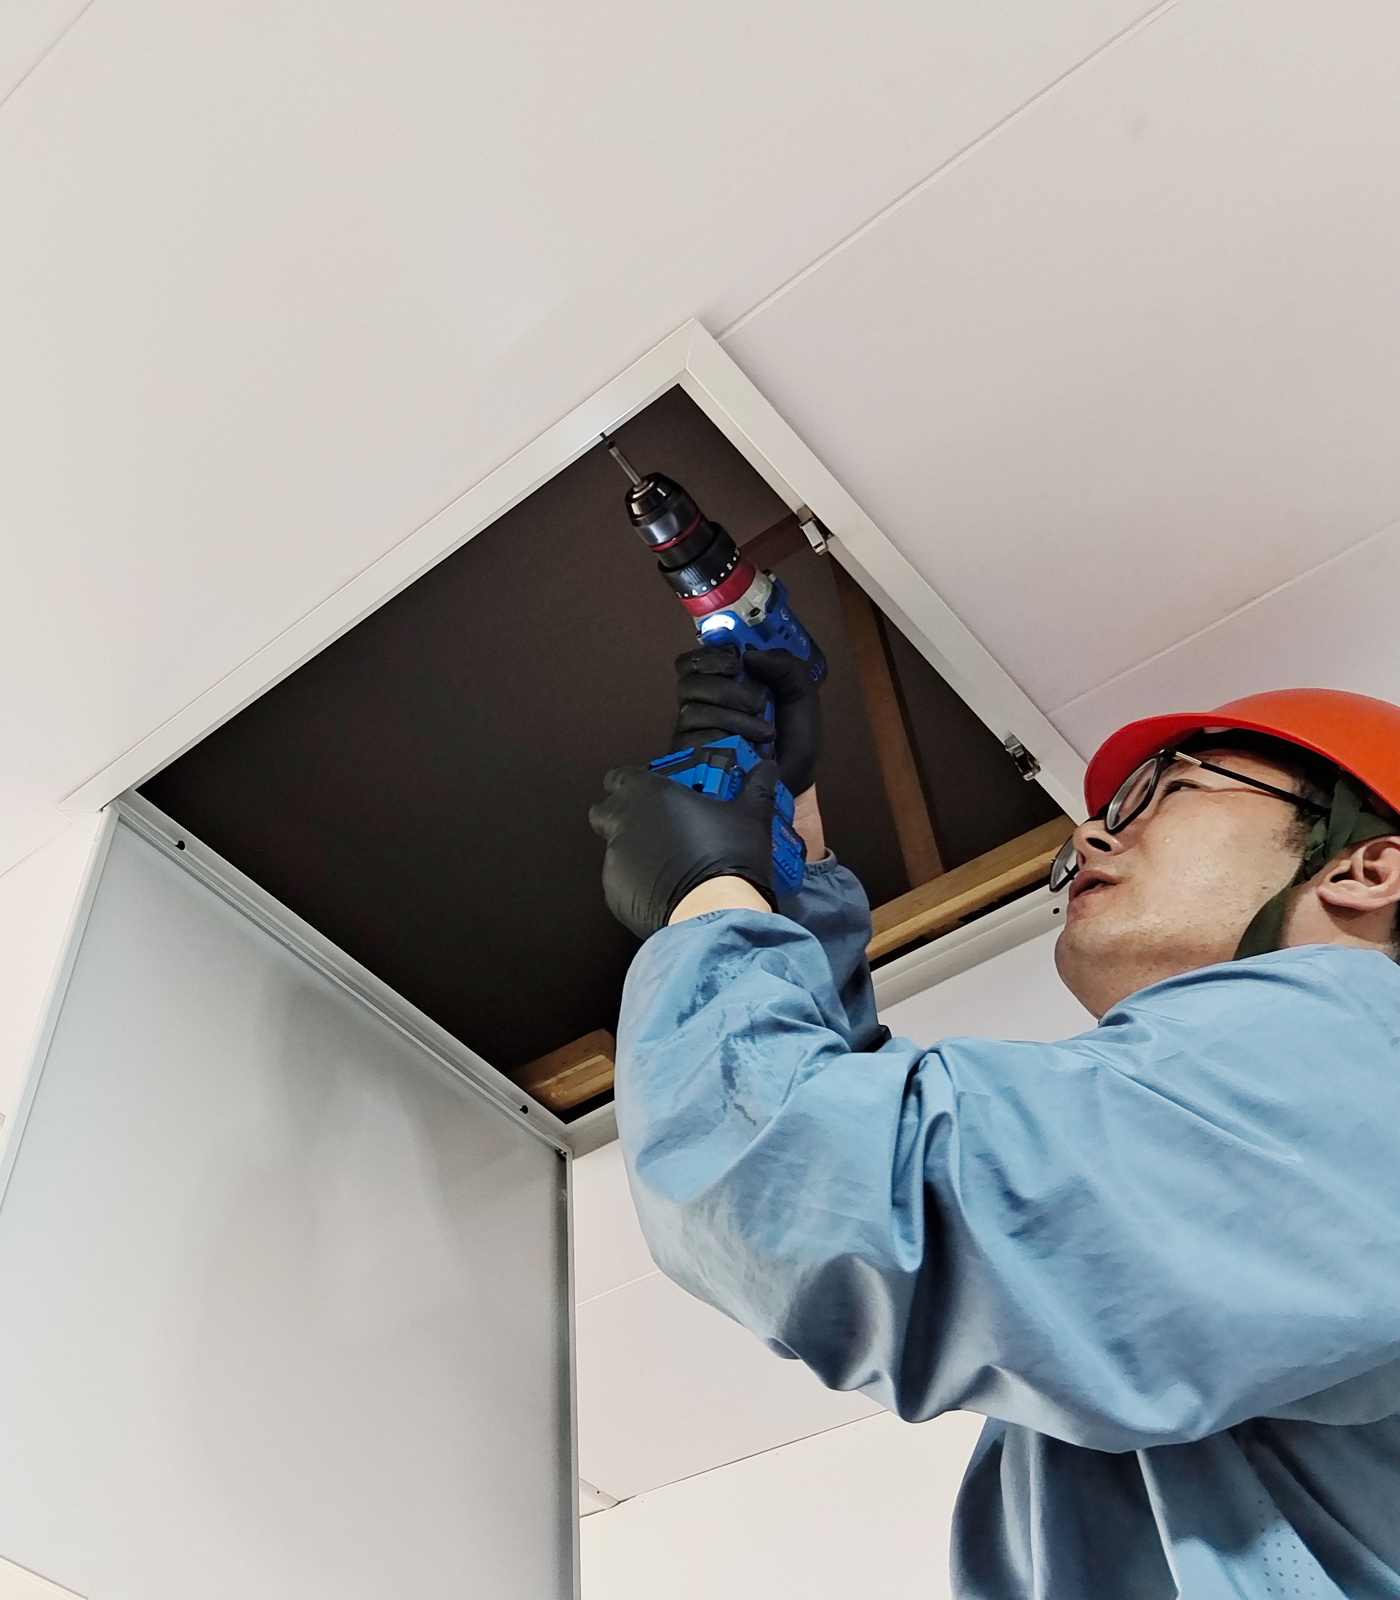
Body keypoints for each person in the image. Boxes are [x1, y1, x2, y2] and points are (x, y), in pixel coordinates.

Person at [589, 647, 1400, 1600]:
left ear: (1369, 865)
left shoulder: (1359, 1045)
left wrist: (710, 898)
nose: (1093, 839)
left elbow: (818, 1187)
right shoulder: (1306, 1125)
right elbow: (886, 1150)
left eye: (1165, 794)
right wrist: (785, 860)